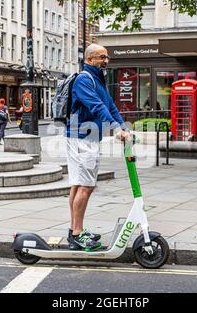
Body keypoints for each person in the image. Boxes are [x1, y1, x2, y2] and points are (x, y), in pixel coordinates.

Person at [66, 43, 129, 251]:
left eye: (107, 57)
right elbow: (97, 106)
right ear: (90, 59)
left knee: (78, 185)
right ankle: (77, 234)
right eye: (102, 57)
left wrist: (122, 127)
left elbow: (110, 106)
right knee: (86, 186)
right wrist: (114, 128)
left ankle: (75, 230)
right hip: (82, 138)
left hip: (86, 137)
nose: (106, 60)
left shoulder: (98, 79)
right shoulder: (85, 79)